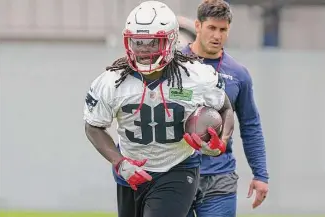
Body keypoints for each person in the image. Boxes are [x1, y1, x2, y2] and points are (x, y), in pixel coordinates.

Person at [83, 1, 234, 217]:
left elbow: (225, 107)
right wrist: (120, 163)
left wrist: (223, 139)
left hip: (178, 168)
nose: (144, 49)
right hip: (131, 172)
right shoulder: (111, 82)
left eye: (153, 42)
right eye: (138, 42)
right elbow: (93, 127)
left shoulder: (196, 76)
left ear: (171, 41)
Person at [181, 1, 269, 217]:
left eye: (223, 30)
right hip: (177, 174)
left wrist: (260, 175)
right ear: (198, 26)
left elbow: (251, 125)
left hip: (219, 177)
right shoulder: (175, 66)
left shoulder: (238, 74)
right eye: (211, 28)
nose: (217, 36)